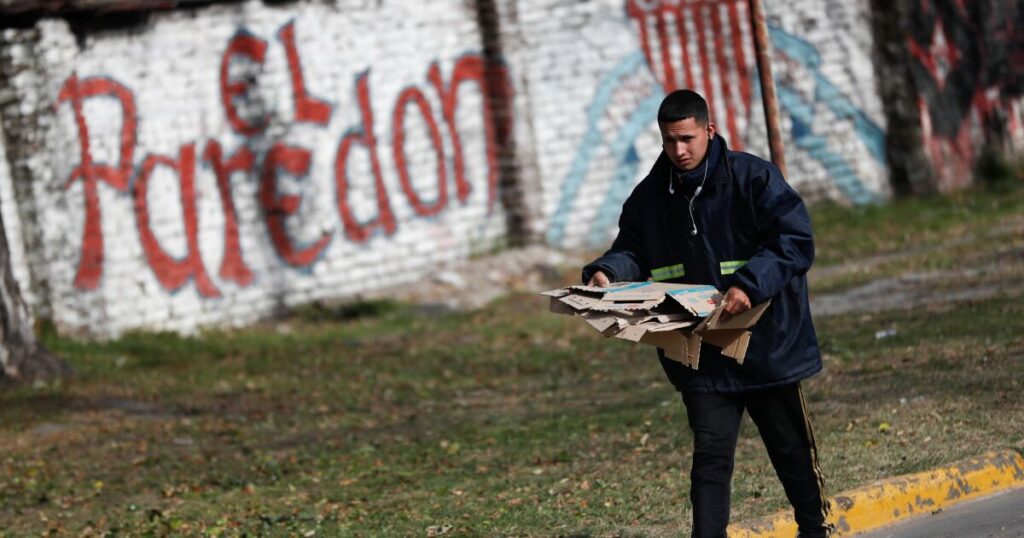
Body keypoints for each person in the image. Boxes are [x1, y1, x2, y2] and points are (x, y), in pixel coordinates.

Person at [582, 89, 831, 538]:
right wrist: (607, 272)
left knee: (790, 449)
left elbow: (795, 242)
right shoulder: (649, 198)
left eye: (687, 139)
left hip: (765, 348)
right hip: (701, 354)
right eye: (669, 141)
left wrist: (748, 285)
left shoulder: (753, 178)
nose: (679, 151)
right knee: (710, 461)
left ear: (709, 131)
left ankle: (815, 528)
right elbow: (632, 249)